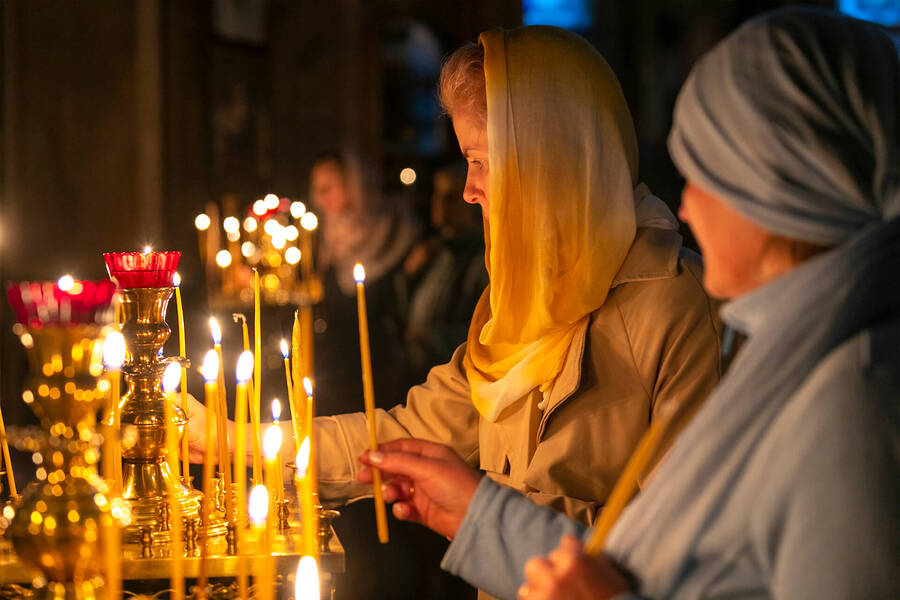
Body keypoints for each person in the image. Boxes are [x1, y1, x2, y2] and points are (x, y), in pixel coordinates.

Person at [356, 8, 900, 599]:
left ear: (779, 190)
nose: (685, 208)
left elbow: (662, 567)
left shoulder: (853, 405)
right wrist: (479, 517)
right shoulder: (794, 357)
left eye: (705, 176)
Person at [186, 25, 722, 598]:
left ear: (548, 161)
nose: (468, 190)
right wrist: (234, 440)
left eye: (481, 161)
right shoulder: (523, 291)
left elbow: (684, 560)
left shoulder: (675, 306)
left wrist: (486, 510)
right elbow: (407, 431)